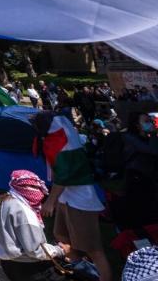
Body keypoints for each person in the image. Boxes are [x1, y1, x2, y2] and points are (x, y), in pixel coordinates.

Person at [34, 112, 111, 281]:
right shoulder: (56, 138)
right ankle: (82, 272)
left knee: (94, 249)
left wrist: (50, 201)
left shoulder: (63, 142)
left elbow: (64, 176)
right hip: (67, 199)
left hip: (81, 202)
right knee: (62, 237)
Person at [0, 170, 69, 281]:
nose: (37, 192)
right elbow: (34, 250)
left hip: (8, 264)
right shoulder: (23, 211)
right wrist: (61, 250)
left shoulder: (2, 202)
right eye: (32, 187)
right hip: (28, 269)